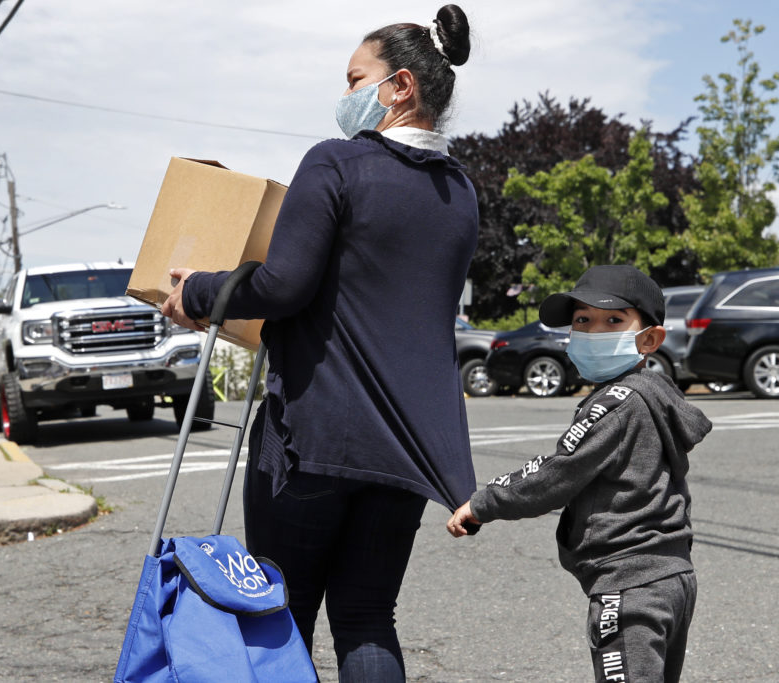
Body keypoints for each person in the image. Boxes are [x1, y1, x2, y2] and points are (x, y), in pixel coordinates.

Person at [162, 6, 477, 679]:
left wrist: (197, 292)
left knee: (283, 607)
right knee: (368, 615)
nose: (344, 95)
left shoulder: (337, 163)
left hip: (315, 439)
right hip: (405, 447)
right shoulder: (460, 191)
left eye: (354, 78)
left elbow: (282, 286)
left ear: (399, 87)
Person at [447, 265, 712, 683]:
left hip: (629, 585)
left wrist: (482, 503)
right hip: (672, 576)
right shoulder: (656, 395)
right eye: (582, 321)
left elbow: (555, 475)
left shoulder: (616, 404)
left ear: (650, 339)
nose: (593, 332)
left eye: (613, 320)